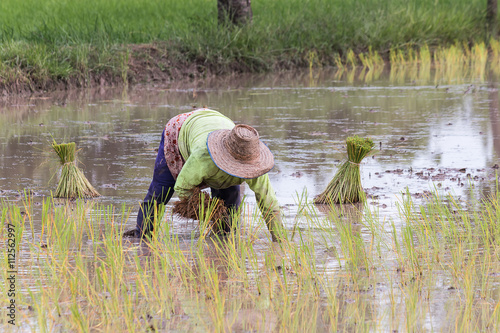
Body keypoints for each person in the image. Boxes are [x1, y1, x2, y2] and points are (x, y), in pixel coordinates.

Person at [123, 108, 284, 242]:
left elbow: (269, 204)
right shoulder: (203, 156)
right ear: (225, 159)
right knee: (160, 192)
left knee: (230, 202)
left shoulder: (254, 165)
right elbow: (182, 187)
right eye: (235, 167)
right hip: (180, 131)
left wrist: (280, 240)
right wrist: (208, 211)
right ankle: (142, 238)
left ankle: (222, 243)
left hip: (216, 121)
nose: (241, 170)